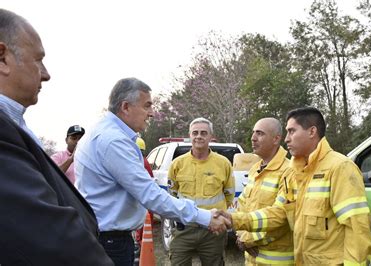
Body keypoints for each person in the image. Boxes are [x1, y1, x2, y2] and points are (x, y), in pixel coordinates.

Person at [74, 78, 229, 266]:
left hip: (105, 237)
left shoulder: (105, 133)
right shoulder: (113, 141)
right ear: (125, 107)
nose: (152, 113)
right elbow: (150, 194)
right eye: (147, 106)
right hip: (110, 241)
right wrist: (204, 216)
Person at [0, 8, 113, 265]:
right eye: (38, 59)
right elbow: (47, 235)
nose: (46, 73)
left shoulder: (13, 125)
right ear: (2, 58)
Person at [219, 107, 371, 265]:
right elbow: (279, 214)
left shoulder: (340, 167)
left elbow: (357, 230)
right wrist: (235, 219)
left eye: (292, 131)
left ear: (312, 132)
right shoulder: (294, 172)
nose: (286, 139)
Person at [167, 117, 235, 266]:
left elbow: (229, 195)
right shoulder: (177, 164)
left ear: (211, 136)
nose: (199, 136)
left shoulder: (223, 163)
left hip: (212, 230)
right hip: (184, 227)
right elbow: (172, 194)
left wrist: (217, 215)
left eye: (204, 133)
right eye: (195, 133)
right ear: (189, 135)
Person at [235, 117, 294, 265]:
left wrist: (248, 240)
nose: (253, 138)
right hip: (251, 260)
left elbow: (282, 218)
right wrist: (241, 235)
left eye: (260, 133)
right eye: (253, 133)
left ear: (276, 139)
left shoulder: (289, 171)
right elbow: (242, 206)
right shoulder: (255, 169)